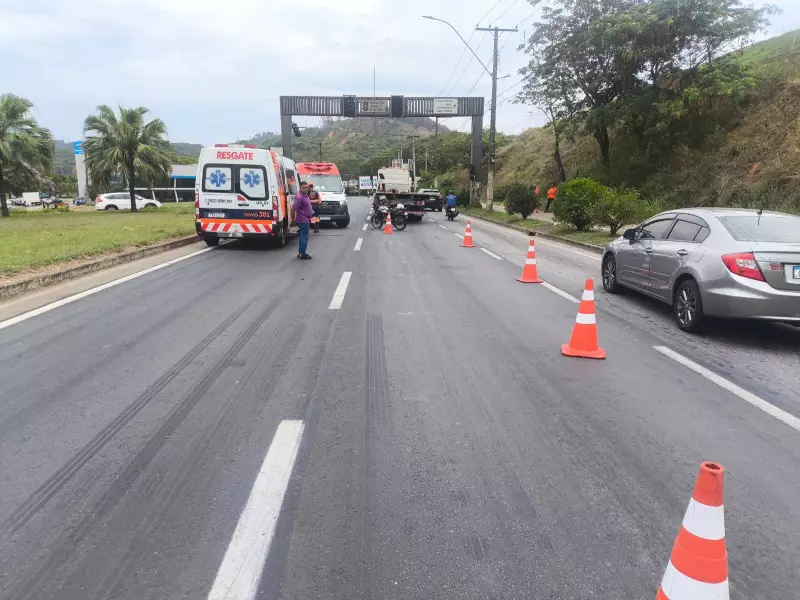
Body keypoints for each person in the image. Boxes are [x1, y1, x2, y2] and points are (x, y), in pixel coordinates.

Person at [292, 181, 313, 259]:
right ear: (300, 188)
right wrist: (292, 219)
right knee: (304, 236)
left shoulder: (305, 195)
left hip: (306, 218)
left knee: (302, 236)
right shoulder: (299, 197)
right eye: (304, 187)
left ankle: (301, 252)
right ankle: (302, 254)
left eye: (307, 187)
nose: (306, 189)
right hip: (302, 220)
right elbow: (293, 208)